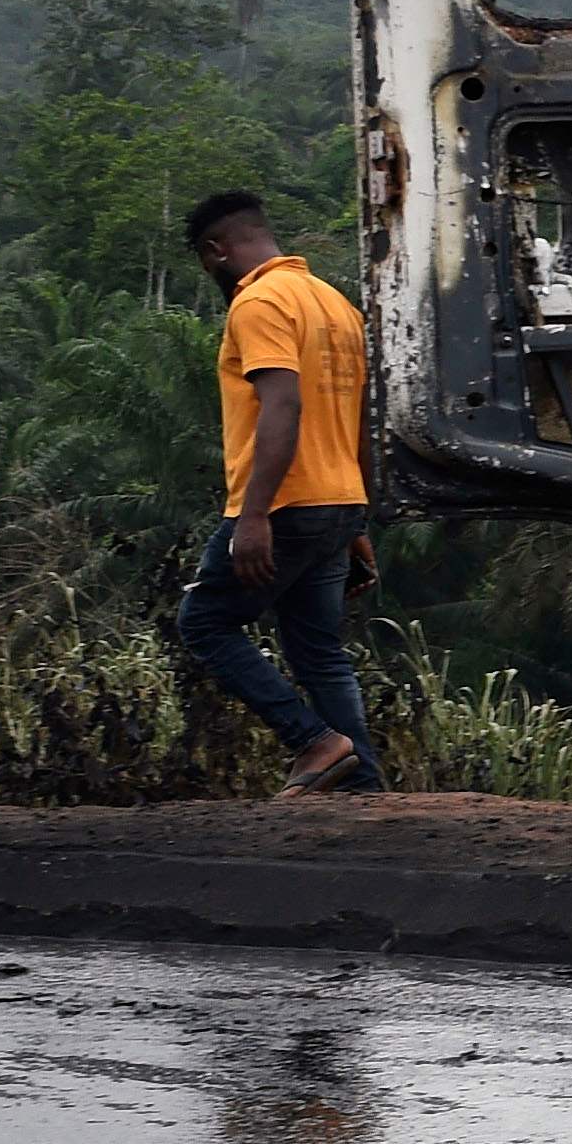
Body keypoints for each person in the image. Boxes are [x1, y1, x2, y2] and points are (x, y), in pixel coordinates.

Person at [177, 190, 384, 794]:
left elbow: (283, 405)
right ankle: (361, 789)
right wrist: (357, 519)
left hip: (286, 505)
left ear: (216, 250)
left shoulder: (259, 301)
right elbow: (360, 419)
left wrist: (254, 517)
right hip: (336, 501)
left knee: (205, 622)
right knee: (318, 650)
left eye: (205, 260)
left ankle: (312, 740)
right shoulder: (335, 305)